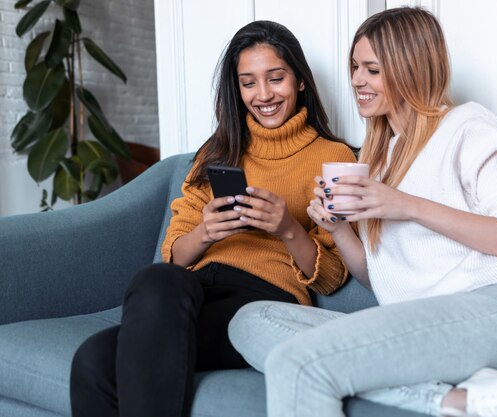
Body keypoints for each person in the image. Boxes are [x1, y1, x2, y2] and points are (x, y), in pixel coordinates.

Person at [228, 7, 497, 417]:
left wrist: (405, 205)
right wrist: (341, 229)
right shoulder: (380, 159)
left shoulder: (467, 126)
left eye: (372, 70)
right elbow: (380, 275)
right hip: (427, 327)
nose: (356, 81)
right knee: (251, 322)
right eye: (354, 67)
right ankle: (460, 401)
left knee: (298, 361)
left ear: (410, 69)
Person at [69, 20, 355, 417]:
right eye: (249, 82)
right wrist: (206, 232)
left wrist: (287, 227)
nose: (264, 94)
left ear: (300, 81)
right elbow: (175, 256)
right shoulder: (218, 150)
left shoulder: (334, 158)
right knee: (94, 354)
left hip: (263, 300)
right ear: (236, 89)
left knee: (98, 361)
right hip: (194, 290)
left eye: (276, 78)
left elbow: (332, 276)